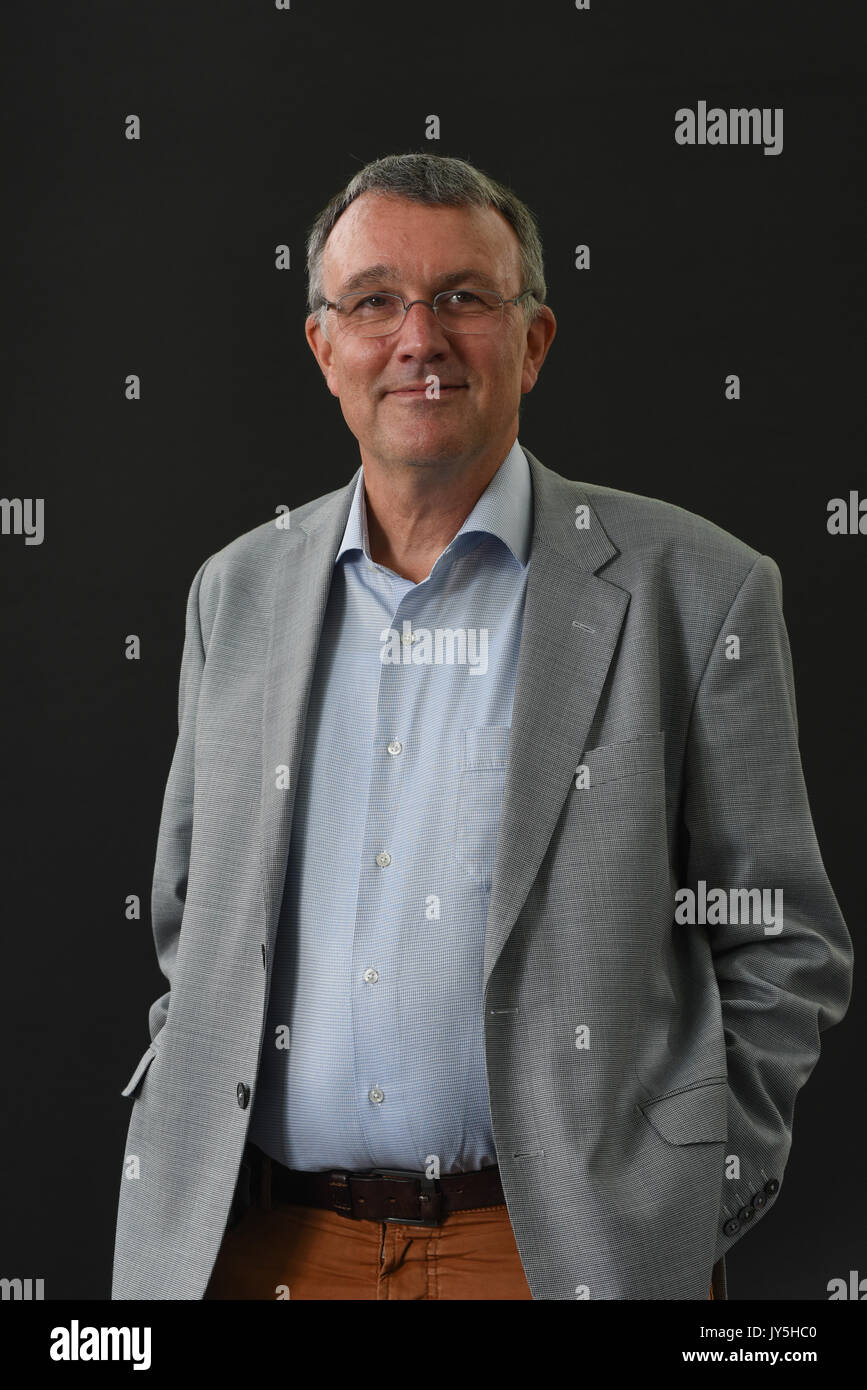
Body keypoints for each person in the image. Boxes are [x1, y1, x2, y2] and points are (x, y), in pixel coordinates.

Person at [112, 153, 853, 1301]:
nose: (420, 337)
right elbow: (189, 924)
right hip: (257, 1247)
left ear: (535, 340)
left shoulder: (698, 590)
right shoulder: (236, 593)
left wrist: (682, 1206)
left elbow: (784, 943)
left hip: (560, 1254)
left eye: (463, 296)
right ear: (325, 350)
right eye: (373, 302)